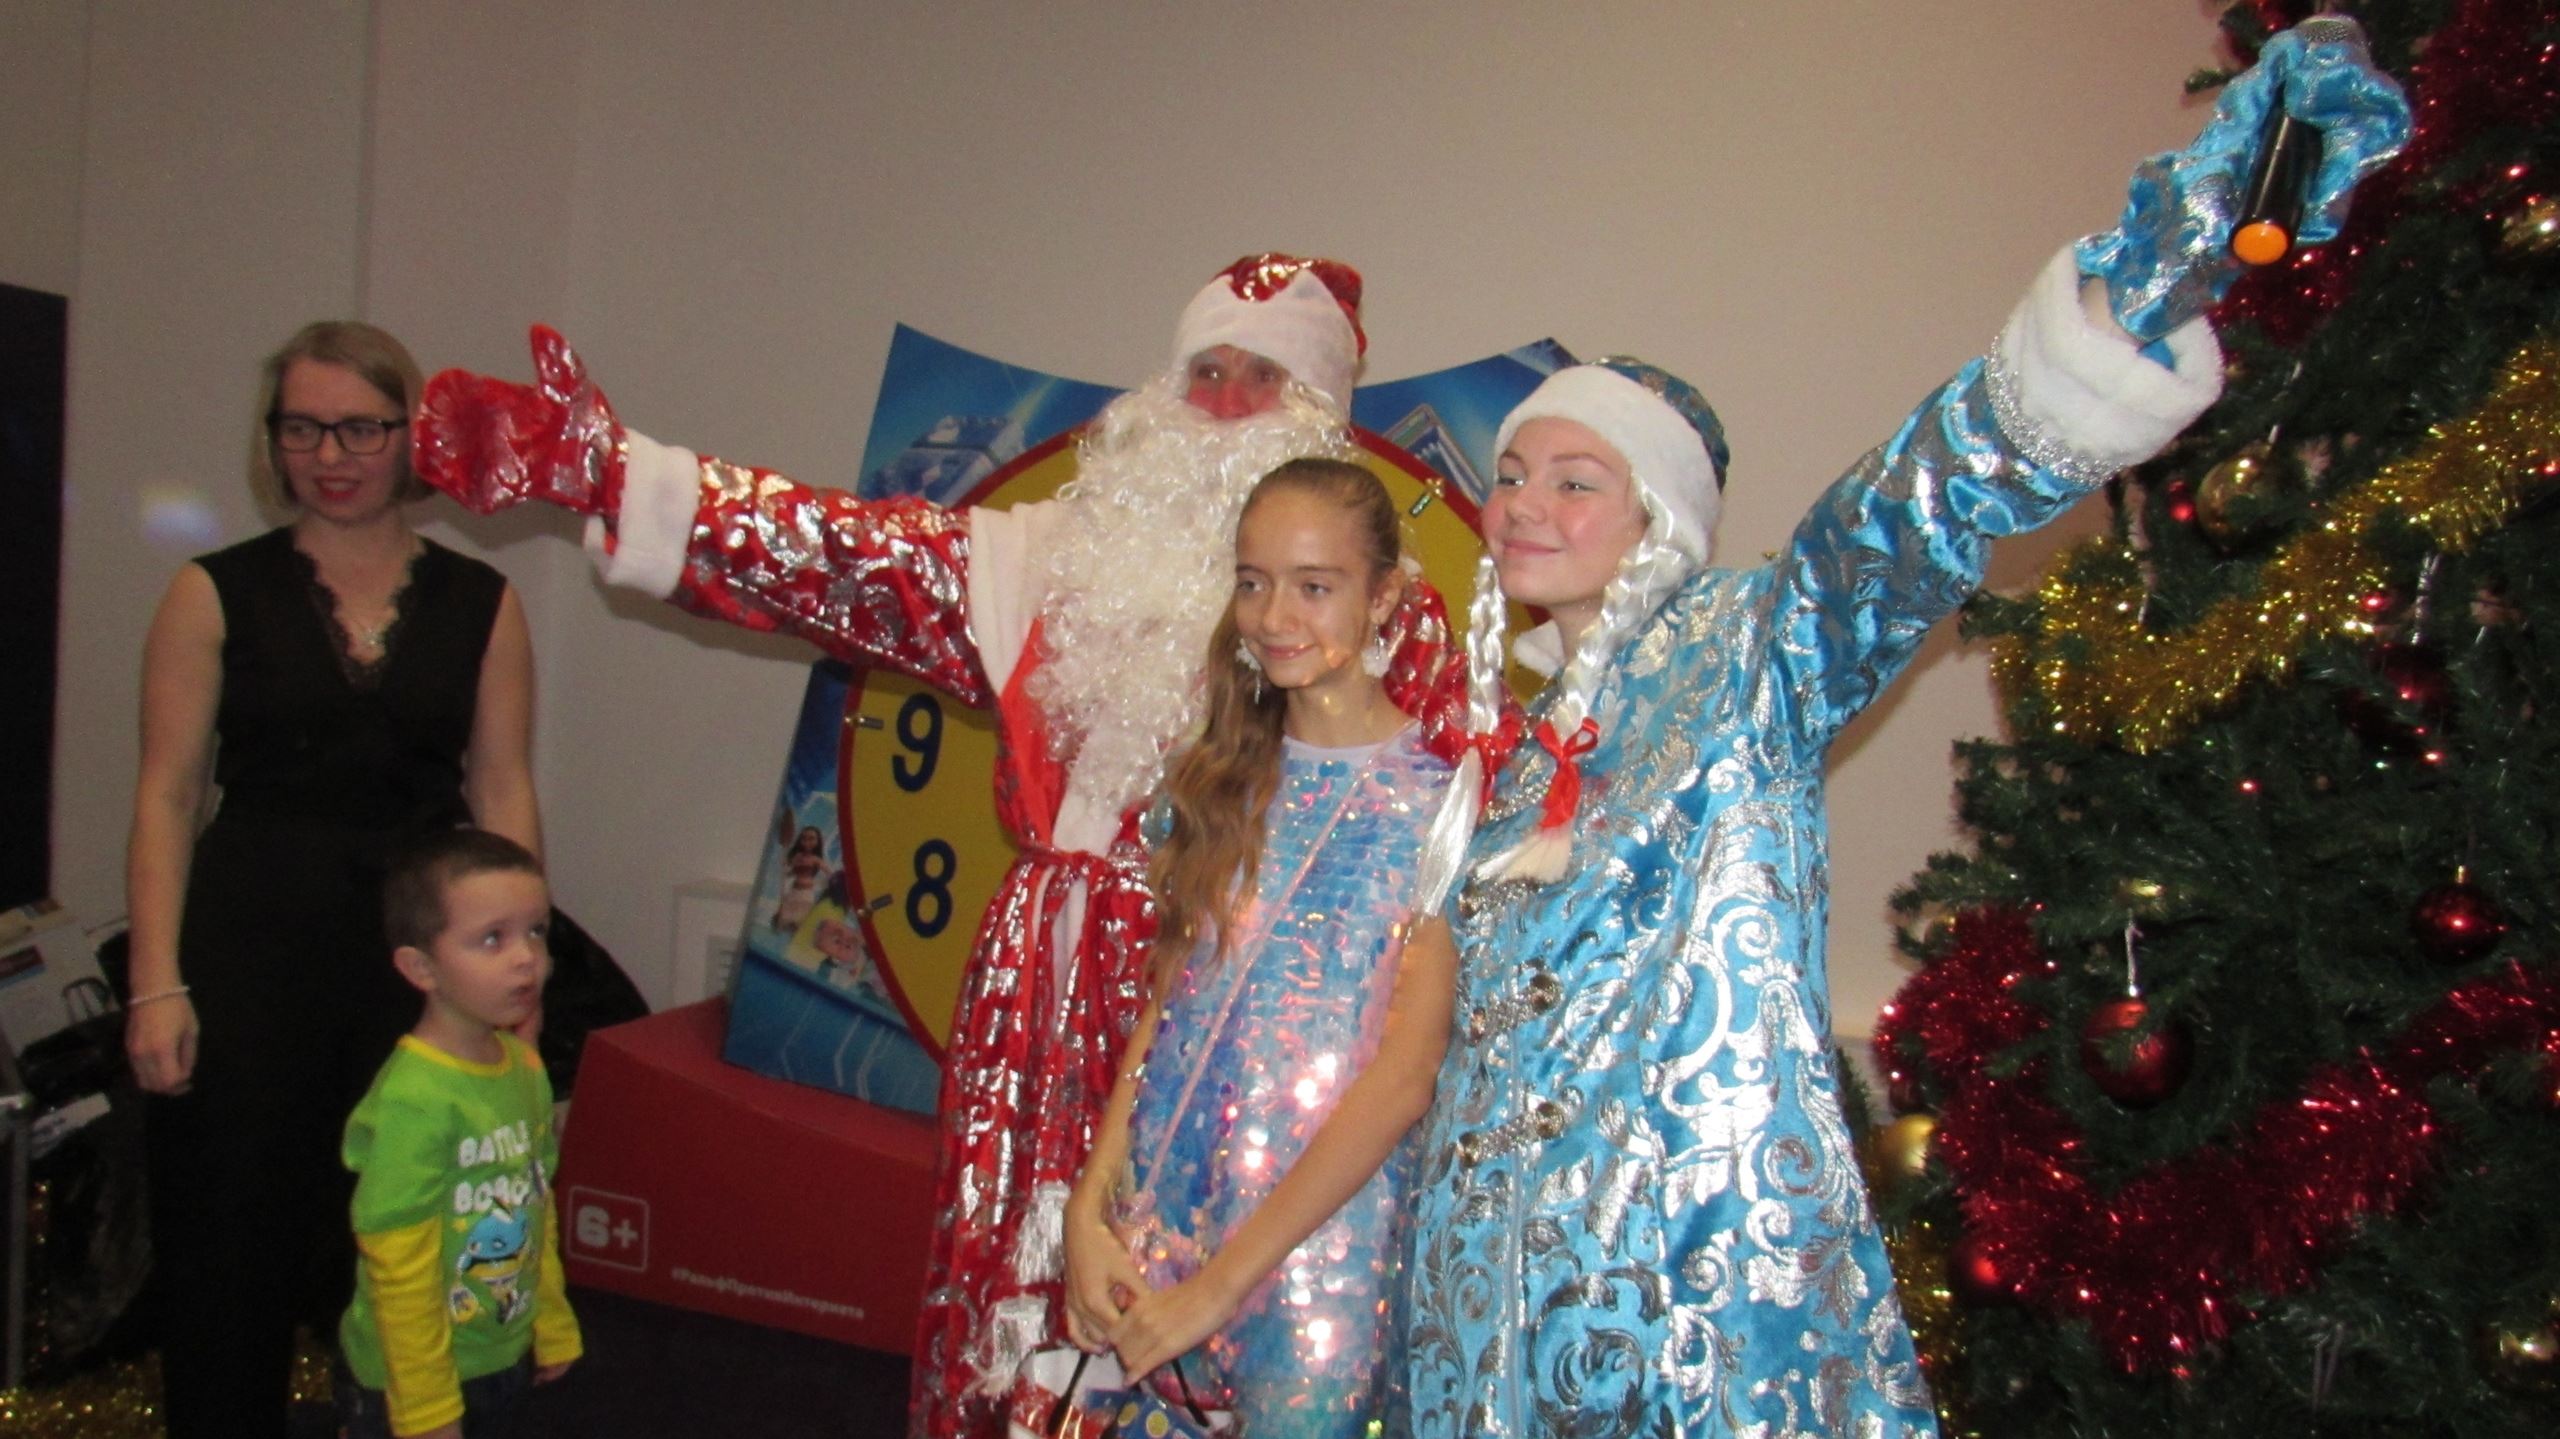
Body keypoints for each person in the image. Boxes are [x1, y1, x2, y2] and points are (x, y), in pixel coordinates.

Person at [1399, 23, 2407, 1435]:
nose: (1520, 503)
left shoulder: (1748, 650)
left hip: (1691, 1293)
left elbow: (1905, 513)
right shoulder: (1499, 763)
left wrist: (2139, 285)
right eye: (1511, 473)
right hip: (1483, 1316)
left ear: (1660, 519)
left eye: (1575, 478)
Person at [409, 254, 1467, 1435]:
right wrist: (617, 474)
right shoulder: (1048, 556)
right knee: (1016, 1286)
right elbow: (832, 553)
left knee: (1202, 1331)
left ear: (1317, 416)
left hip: (1241, 1017)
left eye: (1261, 377)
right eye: (1204, 368)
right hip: (1036, 989)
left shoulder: (1388, 624)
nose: (1221, 399)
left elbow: (1450, 850)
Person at [124, 321, 540, 1435]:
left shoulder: (484, 601)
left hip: (421, 969)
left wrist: (517, 974)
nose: (330, 453)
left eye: (360, 427)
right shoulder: (210, 592)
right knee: (229, 1241)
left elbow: (502, 793)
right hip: (248, 956)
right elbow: (167, 796)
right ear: (273, 441)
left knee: (421, 1243)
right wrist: (155, 982)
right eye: (302, 428)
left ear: (410, 435)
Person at [1059, 460, 1464, 1435]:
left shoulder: (1438, 803)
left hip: (1319, 1259)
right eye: (1253, 581)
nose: (1274, 616)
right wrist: (1088, 1206)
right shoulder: (1222, 776)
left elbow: (1403, 1078)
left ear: (1383, 596)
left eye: (1314, 585)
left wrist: (1223, 1285)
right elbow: (1168, 1007)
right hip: (1164, 1214)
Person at [336, 828, 580, 1439]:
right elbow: (398, 1261)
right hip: (411, 1381)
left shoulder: (523, 1069)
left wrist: (550, 1322)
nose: (526, 958)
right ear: (421, 967)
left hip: (501, 1352)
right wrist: (428, 1407)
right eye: (492, 938)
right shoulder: (414, 1099)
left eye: (536, 931)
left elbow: (537, 1208)